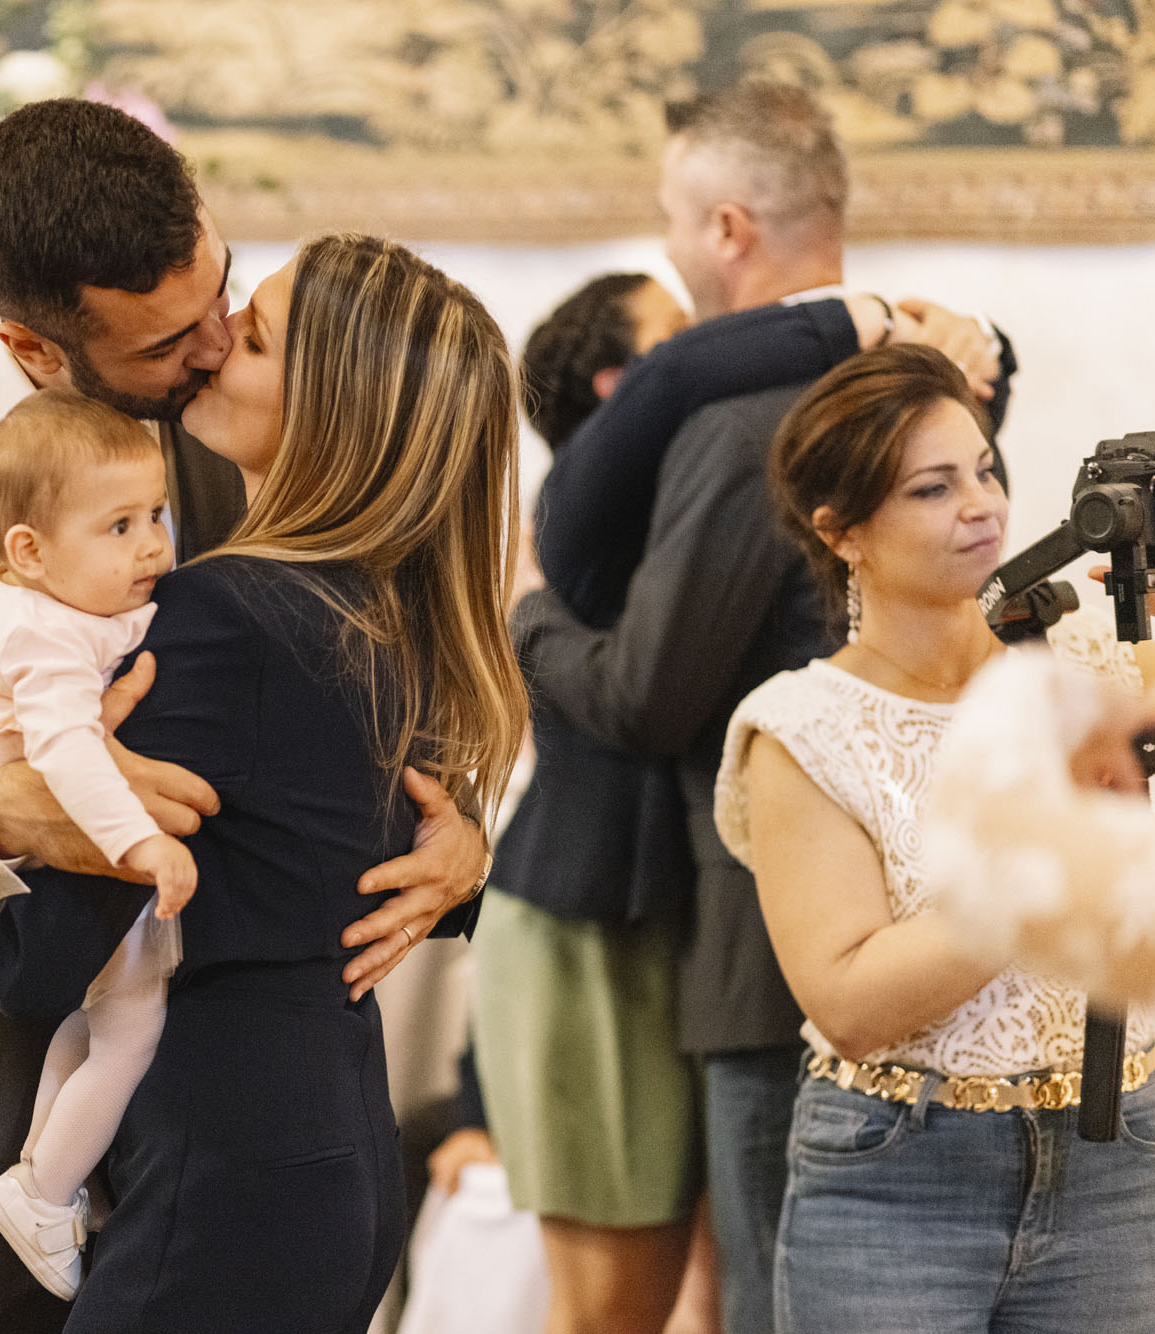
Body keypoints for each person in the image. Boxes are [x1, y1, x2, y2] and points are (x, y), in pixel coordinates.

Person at [0, 98, 490, 1331]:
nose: (218, 342)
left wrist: (457, 847)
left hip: (226, 1146)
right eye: (173, 337)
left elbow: (354, 714)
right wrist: (11, 809)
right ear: (40, 344)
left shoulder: (240, 435)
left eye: (224, 296)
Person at [510, 81, 1015, 1333]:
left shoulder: (744, 424)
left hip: (766, 943)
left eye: (676, 223)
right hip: (935, 923)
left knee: (783, 1295)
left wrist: (523, 609)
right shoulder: (941, 379)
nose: (673, 259)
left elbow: (647, 692)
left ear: (728, 227)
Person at [0, 231, 526, 1330]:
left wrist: (7, 809)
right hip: (321, 1143)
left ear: (331, 404)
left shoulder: (220, 612)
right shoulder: (386, 604)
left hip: (227, 1172)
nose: (216, 343)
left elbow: (44, 957)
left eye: (255, 336)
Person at [715, 342, 1155, 1331]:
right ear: (842, 531)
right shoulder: (802, 727)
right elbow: (849, 1001)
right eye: (930, 486)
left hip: (1117, 1156)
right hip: (897, 1171)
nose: (981, 505)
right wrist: (1045, 859)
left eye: (984, 469)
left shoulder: (1087, 660)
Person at [0, 390, 192, 1298]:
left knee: (93, 1012)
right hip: (27, 831)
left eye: (157, 516)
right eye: (122, 526)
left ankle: (44, 1176)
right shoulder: (47, 631)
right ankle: (48, 1184)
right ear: (30, 549)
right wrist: (142, 847)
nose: (153, 548)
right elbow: (67, 752)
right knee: (135, 1022)